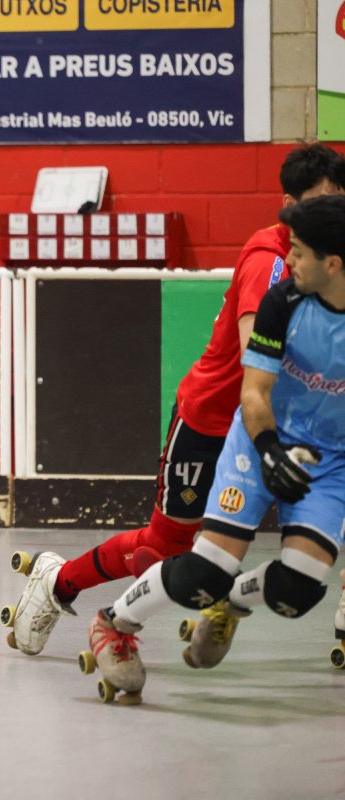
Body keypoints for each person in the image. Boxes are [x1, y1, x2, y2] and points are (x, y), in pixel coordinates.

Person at [6, 143, 345, 657]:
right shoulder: (273, 265)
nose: (333, 212)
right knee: (164, 550)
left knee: (283, 566)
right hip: (217, 418)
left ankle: (247, 600)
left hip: (299, 428)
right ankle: (60, 583)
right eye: (321, 203)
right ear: (291, 206)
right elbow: (260, 357)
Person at [83, 194, 345, 701]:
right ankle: (114, 622)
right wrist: (269, 450)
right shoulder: (282, 303)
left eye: (298, 252)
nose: (287, 261)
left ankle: (232, 606)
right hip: (260, 440)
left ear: (332, 263)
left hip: (329, 459)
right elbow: (254, 392)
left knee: (300, 591)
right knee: (204, 571)